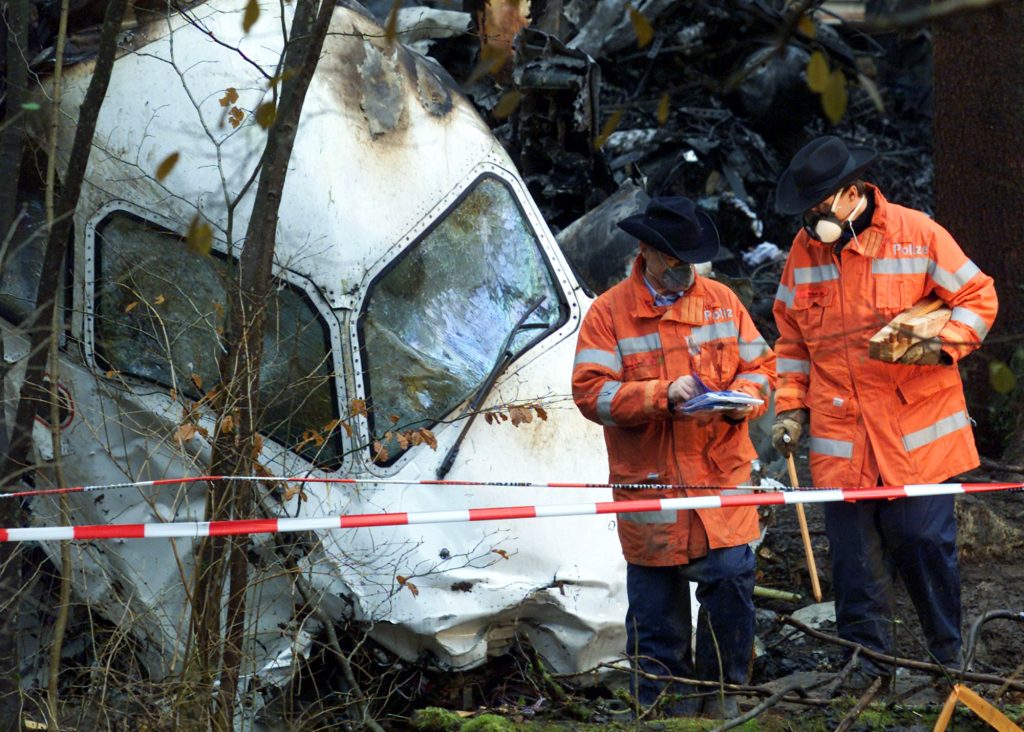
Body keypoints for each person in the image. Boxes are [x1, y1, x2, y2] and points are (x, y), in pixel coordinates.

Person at [770, 136, 998, 688]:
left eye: (820, 208)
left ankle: (948, 664)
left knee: (924, 545)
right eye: (807, 212)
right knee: (854, 565)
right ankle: (867, 674)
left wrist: (940, 346)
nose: (813, 221)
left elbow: (979, 297)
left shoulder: (917, 234)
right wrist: (791, 408)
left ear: (851, 193)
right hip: (843, 444)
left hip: (916, 440)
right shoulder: (805, 251)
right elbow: (792, 339)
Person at [572, 196, 776, 717]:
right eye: (675, 260)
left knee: (731, 581)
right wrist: (661, 394)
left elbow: (762, 369)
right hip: (652, 486)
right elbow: (590, 395)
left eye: (692, 261)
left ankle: (725, 698)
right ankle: (663, 711)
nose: (685, 270)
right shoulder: (608, 313)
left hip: (719, 481)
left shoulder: (722, 301)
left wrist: (741, 401)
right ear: (646, 250)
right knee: (656, 612)